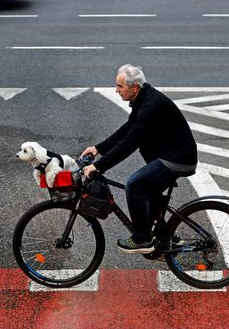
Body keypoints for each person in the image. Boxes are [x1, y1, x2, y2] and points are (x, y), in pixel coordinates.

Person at [81, 64, 198, 254]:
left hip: (177, 159)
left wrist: (98, 167)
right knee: (148, 188)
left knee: (134, 184)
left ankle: (142, 239)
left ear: (134, 87)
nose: (116, 90)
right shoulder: (143, 99)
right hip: (168, 155)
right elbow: (128, 129)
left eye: (120, 86)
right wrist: (98, 149)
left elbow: (130, 143)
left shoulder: (150, 105)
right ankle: (164, 234)